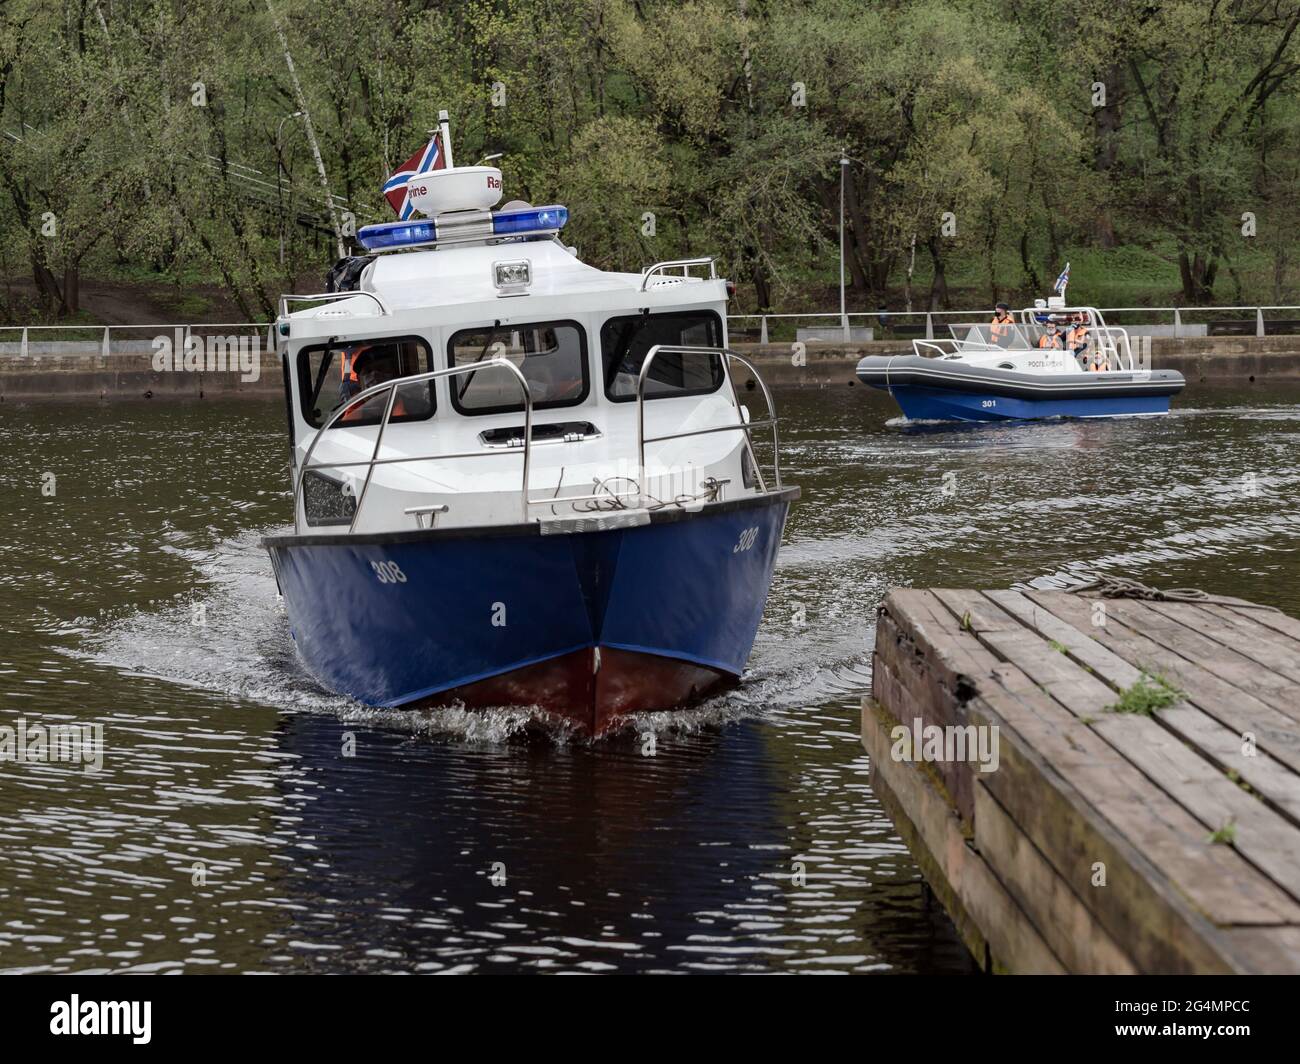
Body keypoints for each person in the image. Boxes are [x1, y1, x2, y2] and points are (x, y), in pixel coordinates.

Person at [342, 345, 408, 420]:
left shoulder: (415, 411)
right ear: (359, 381)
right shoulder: (344, 423)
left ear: (394, 373)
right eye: (368, 371)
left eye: (381, 368)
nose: (374, 375)